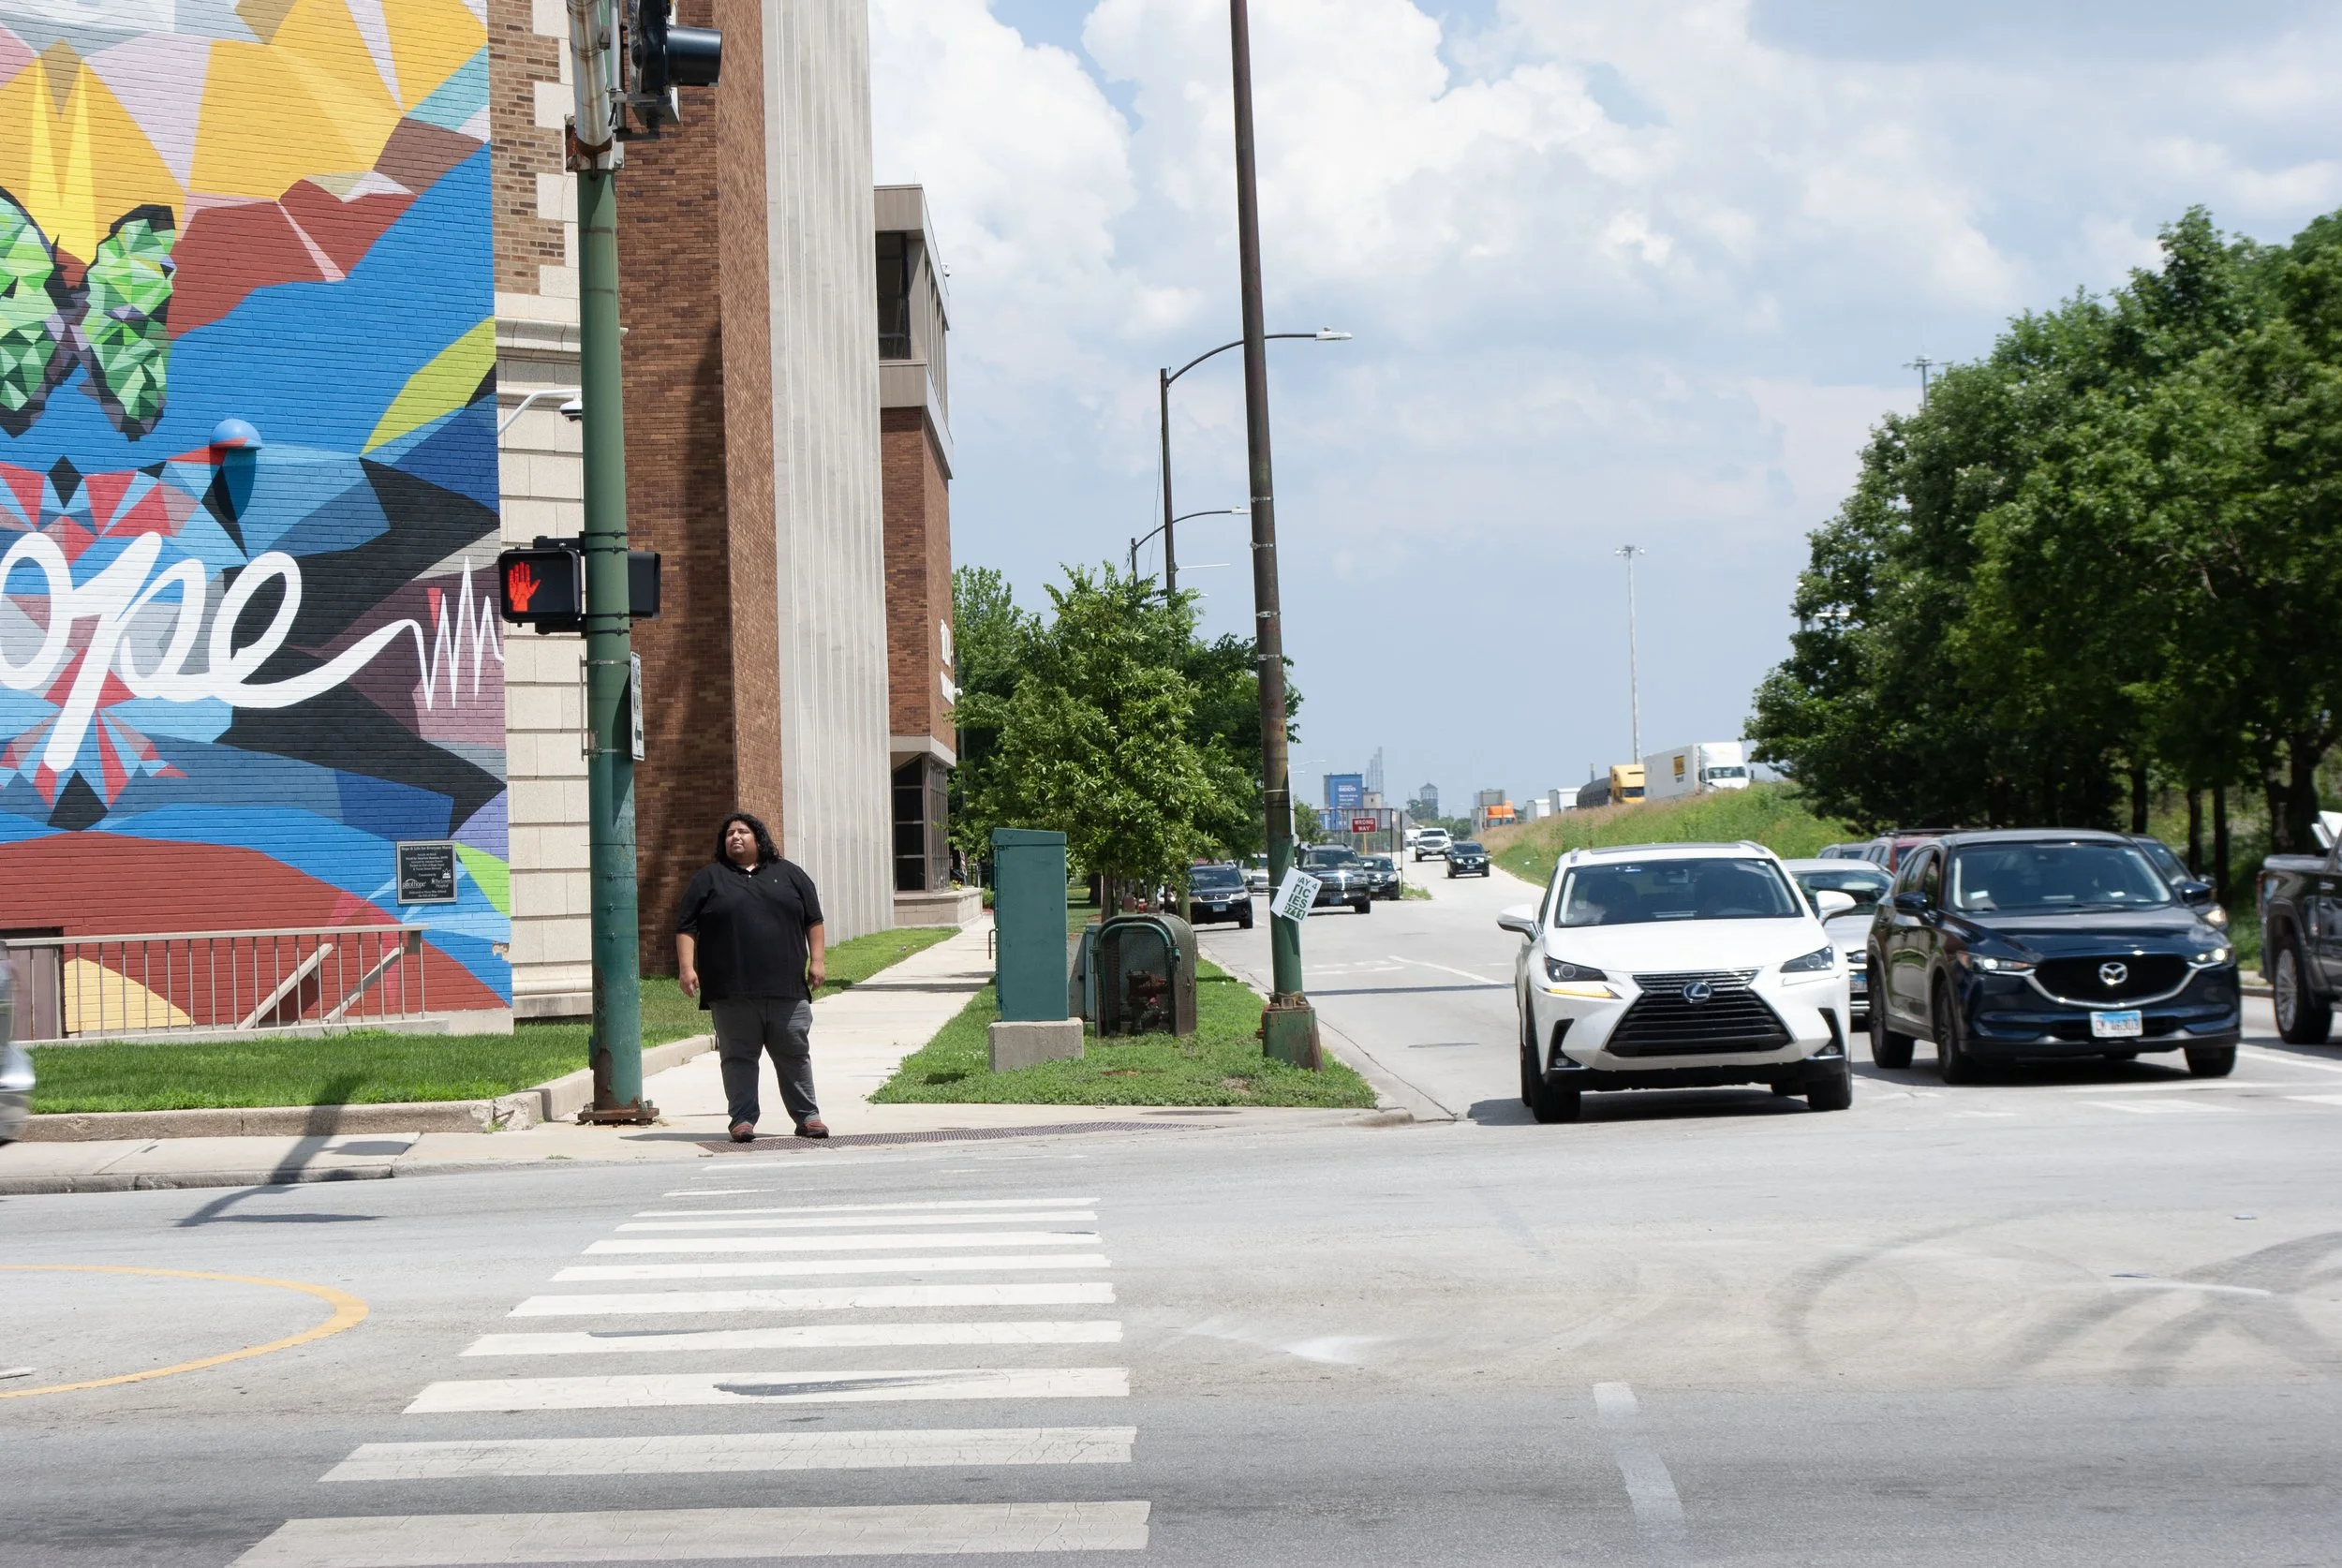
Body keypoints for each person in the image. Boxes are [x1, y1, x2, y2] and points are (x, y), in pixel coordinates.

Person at [674, 811, 829, 1142]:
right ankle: (742, 1120)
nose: (735, 837)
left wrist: (817, 961)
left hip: (786, 989)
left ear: (759, 838)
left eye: (743, 831)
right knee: (738, 1058)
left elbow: (814, 921)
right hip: (731, 992)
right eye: (730, 833)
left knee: (794, 1054)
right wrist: (687, 969)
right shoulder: (709, 879)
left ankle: (808, 1117)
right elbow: (686, 927)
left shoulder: (790, 875)